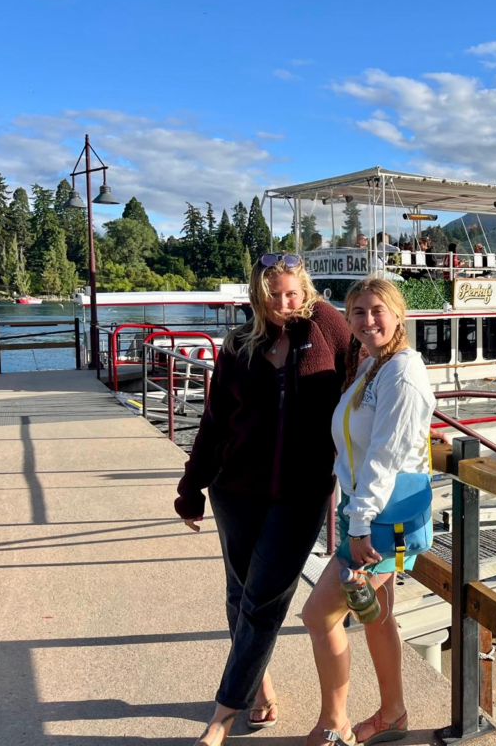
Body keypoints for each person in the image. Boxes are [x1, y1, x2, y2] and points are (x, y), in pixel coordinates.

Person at [175, 253, 351, 746]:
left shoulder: (327, 326)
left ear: (305, 288)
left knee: (262, 604)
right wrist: (191, 489)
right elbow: (213, 422)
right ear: (257, 296)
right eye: (273, 296)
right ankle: (261, 691)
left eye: (292, 293)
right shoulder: (236, 345)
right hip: (235, 491)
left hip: (301, 494)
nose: (284, 304)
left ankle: (222, 717)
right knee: (239, 596)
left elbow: (368, 372)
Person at [302, 277, 436, 746]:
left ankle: (333, 723)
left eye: (377, 309)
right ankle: (393, 714)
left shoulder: (400, 371)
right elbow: (386, 435)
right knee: (377, 616)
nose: (367, 320)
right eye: (357, 312)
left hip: (381, 521)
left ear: (398, 313)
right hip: (368, 511)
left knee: (319, 615)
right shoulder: (372, 365)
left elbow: (385, 455)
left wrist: (358, 525)